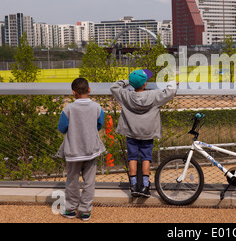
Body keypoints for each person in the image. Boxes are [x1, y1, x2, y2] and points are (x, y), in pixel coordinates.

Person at [110, 69, 177, 198]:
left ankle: (134, 185)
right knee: (146, 157)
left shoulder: (126, 96)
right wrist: (172, 83)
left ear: (133, 84)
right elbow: (170, 92)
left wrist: (128, 82)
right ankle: (145, 186)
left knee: (132, 158)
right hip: (148, 133)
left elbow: (114, 87)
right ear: (145, 84)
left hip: (131, 133)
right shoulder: (153, 95)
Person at [57, 77, 106, 221]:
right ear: (89, 90)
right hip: (91, 149)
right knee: (89, 182)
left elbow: (62, 128)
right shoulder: (97, 107)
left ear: (74, 93)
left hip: (74, 151)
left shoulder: (69, 108)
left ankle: (71, 209)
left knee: (72, 181)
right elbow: (99, 124)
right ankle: (85, 211)